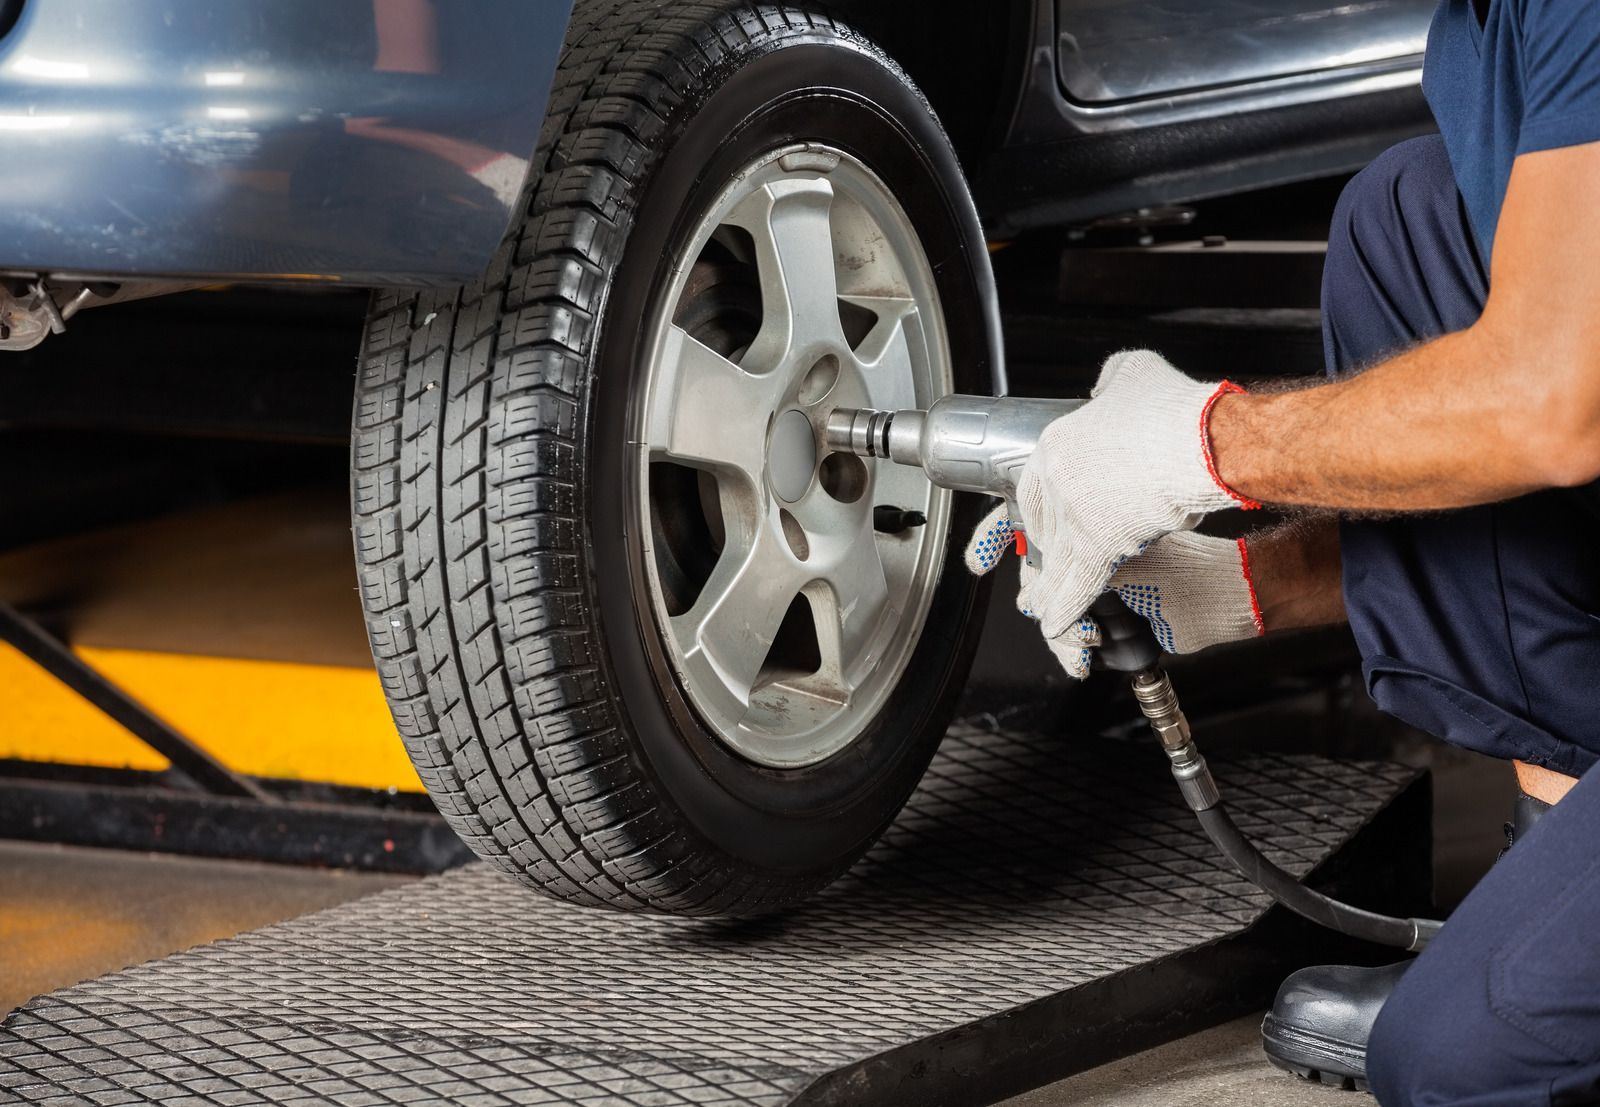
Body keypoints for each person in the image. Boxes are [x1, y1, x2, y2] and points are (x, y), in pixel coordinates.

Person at [963, 1, 1600, 1102]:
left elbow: (1551, 407)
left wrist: (1197, 444)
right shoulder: (1491, 32)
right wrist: (1245, 586)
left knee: (1463, 1062)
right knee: (1409, 218)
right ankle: (1553, 864)